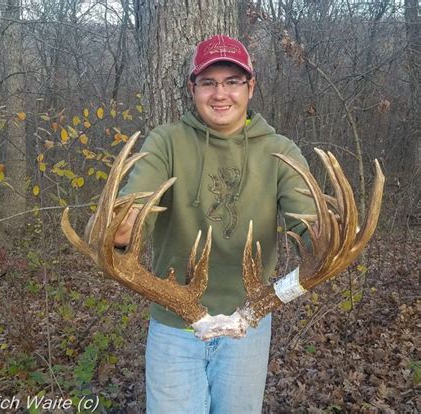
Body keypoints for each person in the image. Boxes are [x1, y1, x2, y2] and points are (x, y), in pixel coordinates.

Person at [114, 34, 315, 413]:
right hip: (176, 324)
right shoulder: (166, 143)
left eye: (232, 82)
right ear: (193, 88)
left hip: (249, 323)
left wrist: (324, 236)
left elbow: (307, 218)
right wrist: (120, 225)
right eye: (208, 82)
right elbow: (134, 199)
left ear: (250, 87)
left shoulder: (280, 151)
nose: (220, 94)